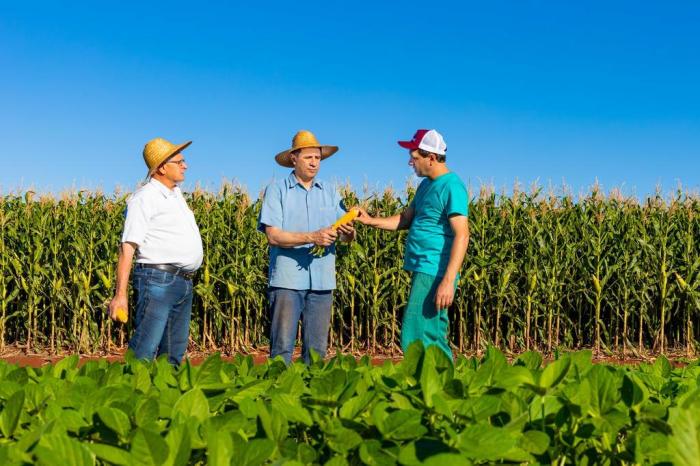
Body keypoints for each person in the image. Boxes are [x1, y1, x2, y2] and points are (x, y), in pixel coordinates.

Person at [355, 129, 469, 359]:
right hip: (423, 268)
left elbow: (462, 235)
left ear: (432, 158)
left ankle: (439, 385)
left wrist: (448, 281)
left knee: (421, 334)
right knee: (422, 332)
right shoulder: (426, 186)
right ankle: (430, 384)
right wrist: (369, 221)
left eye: (414, 157)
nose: (410, 162)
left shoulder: (452, 186)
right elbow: (406, 219)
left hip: (435, 268)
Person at [258, 130, 356, 364]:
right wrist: (312, 236)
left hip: (323, 281)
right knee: (282, 349)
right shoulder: (277, 191)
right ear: (294, 158)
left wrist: (348, 233)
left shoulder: (330, 192)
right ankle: (278, 395)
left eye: (318, 158)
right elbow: (273, 236)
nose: (314, 163)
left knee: (317, 352)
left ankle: (311, 396)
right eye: (308, 158)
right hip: (287, 281)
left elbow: (345, 238)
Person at [108, 137, 203, 365]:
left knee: (173, 354)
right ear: (162, 168)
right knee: (144, 349)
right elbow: (127, 247)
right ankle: (130, 394)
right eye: (179, 162)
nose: (185, 165)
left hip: (183, 282)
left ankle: (165, 398)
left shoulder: (176, 194)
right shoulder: (144, 198)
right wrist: (120, 295)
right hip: (157, 280)